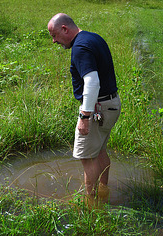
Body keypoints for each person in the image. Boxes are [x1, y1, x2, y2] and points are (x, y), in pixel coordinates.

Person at [48, 13, 121, 208]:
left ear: (65, 29)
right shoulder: (93, 37)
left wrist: (84, 116)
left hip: (98, 108)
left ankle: (90, 203)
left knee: (86, 156)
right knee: (99, 151)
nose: (54, 41)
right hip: (111, 104)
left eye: (54, 35)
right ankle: (103, 191)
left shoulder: (80, 48)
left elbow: (91, 82)